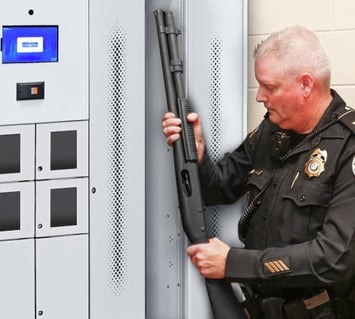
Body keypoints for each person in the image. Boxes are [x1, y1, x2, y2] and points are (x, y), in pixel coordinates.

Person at [162, 26, 355, 318]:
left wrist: (233, 263)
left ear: (306, 85)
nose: (260, 97)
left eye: (270, 87)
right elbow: (218, 189)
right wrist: (198, 153)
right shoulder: (271, 131)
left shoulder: (347, 147)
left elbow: (334, 259)